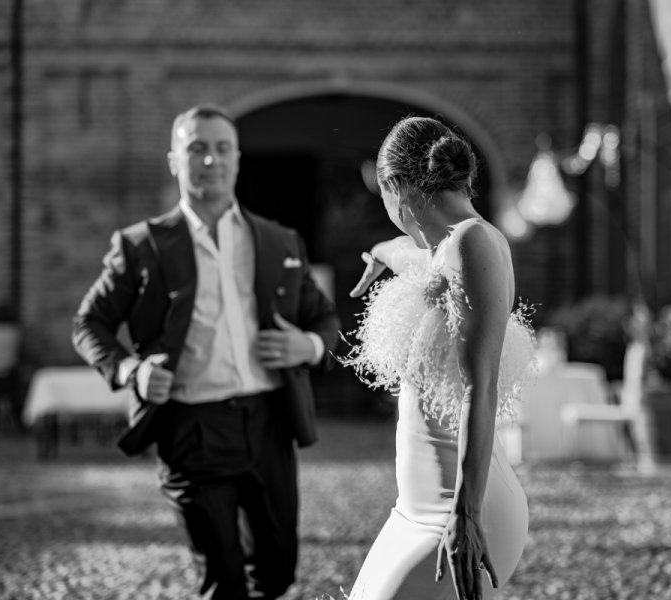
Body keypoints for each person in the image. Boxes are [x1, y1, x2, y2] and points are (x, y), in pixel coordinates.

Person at [71, 103, 340, 600]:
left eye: (221, 149)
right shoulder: (140, 245)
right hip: (191, 430)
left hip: (269, 425)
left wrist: (308, 344)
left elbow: (325, 319)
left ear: (238, 159)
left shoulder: (279, 239)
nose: (210, 161)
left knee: (279, 572)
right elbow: (90, 323)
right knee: (225, 581)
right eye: (196, 148)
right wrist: (132, 369)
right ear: (175, 159)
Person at [341, 116, 536, 600]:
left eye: (383, 198)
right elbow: (404, 252)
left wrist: (465, 517)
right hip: (414, 507)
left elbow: (480, 387)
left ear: (396, 187)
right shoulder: (442, 249)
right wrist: (379, 253)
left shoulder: (472, 242)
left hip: (461, 504)